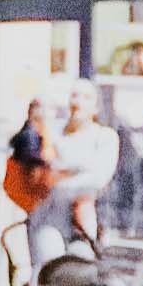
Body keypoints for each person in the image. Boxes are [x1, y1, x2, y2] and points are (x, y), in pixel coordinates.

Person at [34, 82, 115, 259]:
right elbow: (40, 176)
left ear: (96, 108)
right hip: (48, 219)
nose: (78, 102)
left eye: (86, 98)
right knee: (47, 270)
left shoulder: (105, 137)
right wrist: (81, 168)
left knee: (80, 271)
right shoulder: (52, 133)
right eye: (74, 95)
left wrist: (60, 172)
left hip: (84, 224)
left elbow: (96, 181)